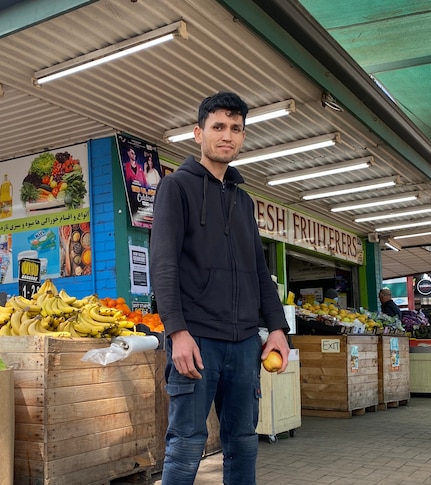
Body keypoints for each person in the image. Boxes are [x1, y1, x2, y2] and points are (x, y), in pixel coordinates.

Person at [149, 92, 290, 485]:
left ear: (243, 137)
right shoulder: (175, 188)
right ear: (198, 133)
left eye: (235, 129)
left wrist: (277, 328)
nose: (227, 136)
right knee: (187, 443)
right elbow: (163, 264)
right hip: (197, 340)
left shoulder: (244, 202)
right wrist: (176, 332)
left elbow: (259, 271)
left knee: (244, 441)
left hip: (245, 342)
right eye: (218, 127)